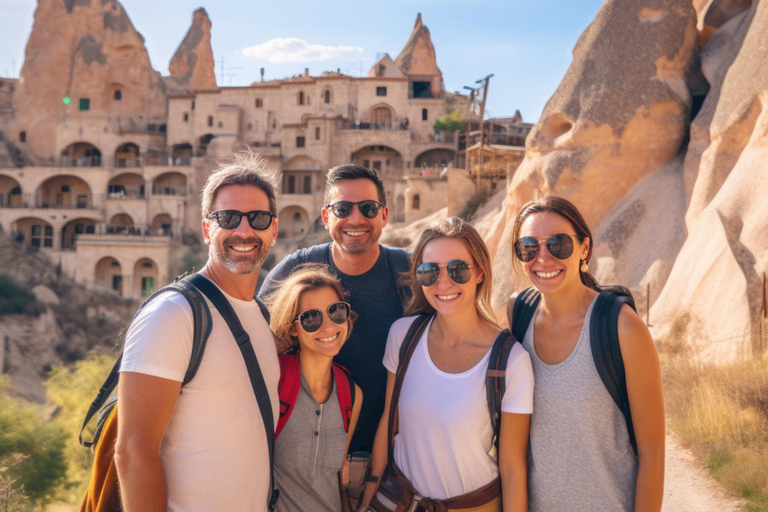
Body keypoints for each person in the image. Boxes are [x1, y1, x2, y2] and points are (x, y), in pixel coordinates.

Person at [115, 152, 281, 512]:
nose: (244, 230)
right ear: (207, 229)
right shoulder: (175, 314)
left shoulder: (263, 318)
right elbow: (132, 450)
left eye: (258, 218)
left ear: (274, 229)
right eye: (228, 218)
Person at [360, 217, 533, 512]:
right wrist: (368, 500)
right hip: (399, 502)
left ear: (479, 273)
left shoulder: (511, 360)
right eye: (429, 271)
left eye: (458, 269)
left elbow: (513, 469)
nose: (444, 282)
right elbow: (388, 424)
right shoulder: (403, 336)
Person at [507, 196, 664, 512]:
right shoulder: (518, 313)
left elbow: (653, 455)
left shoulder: (622, 327)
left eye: (559, 244)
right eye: (528, 247)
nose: (543, 258)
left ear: (584, 249)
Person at [259, 164, 410, 455]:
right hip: (304, 459)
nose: (355, 219)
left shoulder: (408, 272)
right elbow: (258, 345)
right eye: (342, 209)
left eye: (368, 208)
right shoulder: (294, 272)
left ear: (384, 215)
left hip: (391, 461)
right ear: (326, 216)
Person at [265, 265, 363, 512]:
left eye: (336, 311)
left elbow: (338, 480)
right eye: (311, 318)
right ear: (292, 329)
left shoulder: (351, 393)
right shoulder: (273, 379)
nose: (328, 327)